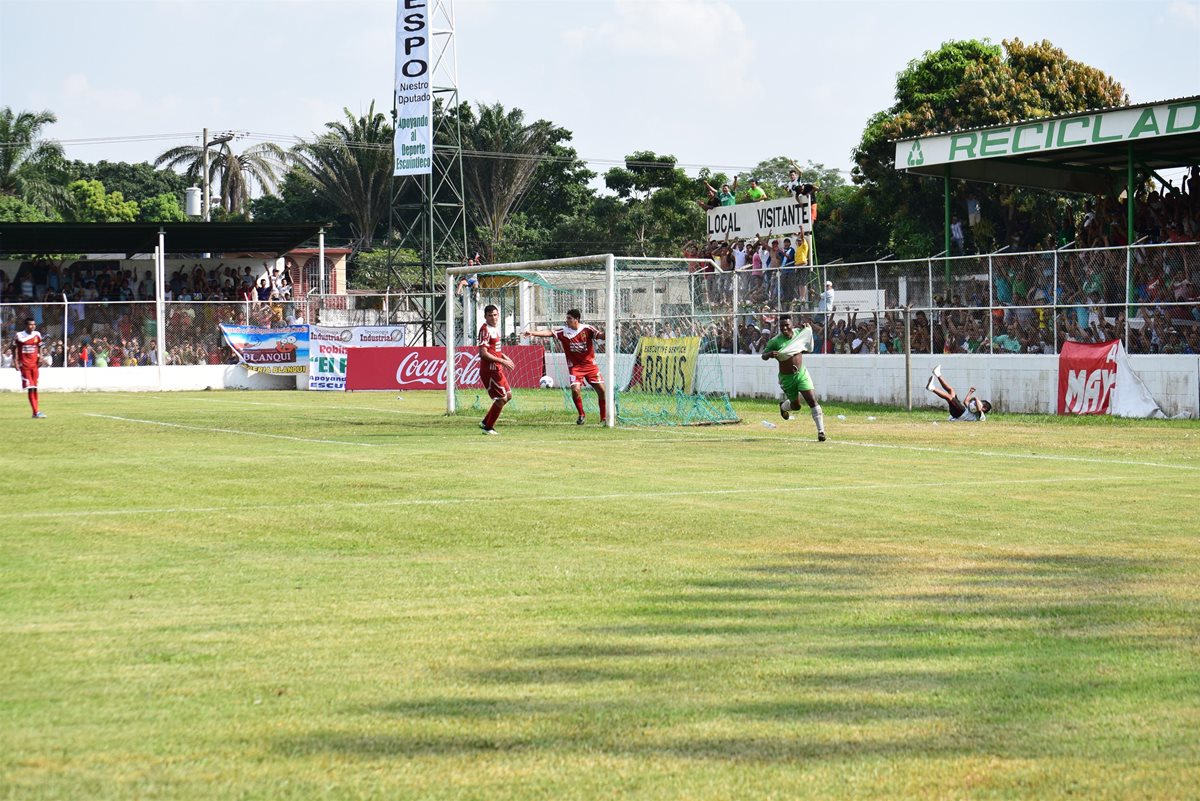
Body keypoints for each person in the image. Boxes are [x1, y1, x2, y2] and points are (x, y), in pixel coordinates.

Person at [526, 308, 607, 425]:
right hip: (575, 367)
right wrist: (533, 333)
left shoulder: (587, 329)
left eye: (569, 318)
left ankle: (603, 418)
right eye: (567, 318)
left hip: (590, 366)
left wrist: (608, 332)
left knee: (602, 391)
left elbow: (601, 336)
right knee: (575, 390)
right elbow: (549, 333)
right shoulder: (564, 331)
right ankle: (581, 414)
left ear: (577, 319)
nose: (567, 320)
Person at [762, 316, 826, 441]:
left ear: (792, 324)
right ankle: (783, 406)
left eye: (787, 325)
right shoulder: (775, 341)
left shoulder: (799, 333)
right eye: (782, 326)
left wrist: (807, 328)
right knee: (796, 406)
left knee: (812, 401)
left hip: (801, 373)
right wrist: (769, 354)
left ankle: (821, 432)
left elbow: (807, 340)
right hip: (787, 378)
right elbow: (763, 356)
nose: (785, 328)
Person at [478, 304, 514, 435]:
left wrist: (504, 356)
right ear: (485, 317)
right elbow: (483, 353)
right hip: (490, 370)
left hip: (497, 368)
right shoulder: (485, 330)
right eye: (490, 315)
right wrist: (502, 361)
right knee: (501, 399)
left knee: (508, 396)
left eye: (495, 315)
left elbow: (494, 350)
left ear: (498, 315)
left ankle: (485, 422)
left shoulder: (494, 329)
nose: (493, 318)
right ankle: (488, 428)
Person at [926, 364, 991, 421]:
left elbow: (979, 409)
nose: (977, 404)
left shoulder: (981, 416)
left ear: (984, 409)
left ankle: (932, 388)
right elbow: (965, 402)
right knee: (951, 391)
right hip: (960, 410)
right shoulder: (972, 410)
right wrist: (970, 392)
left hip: (960, 413)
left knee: (949, 397)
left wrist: (976, 399)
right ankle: (938, 374)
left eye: (981, 404)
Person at [11, 317, 46, 418]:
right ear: (26, 326)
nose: (33, 326)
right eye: (31, 324)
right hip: (25, 366)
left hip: (35, 365)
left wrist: (41, 357)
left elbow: (40, 346)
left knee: (35, 388)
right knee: (30, 388)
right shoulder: (19, 335)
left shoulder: (37, 334)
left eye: (34, 324)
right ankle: (36, 412)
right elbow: (14, 348)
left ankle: (36, 411)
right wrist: (15, 361)